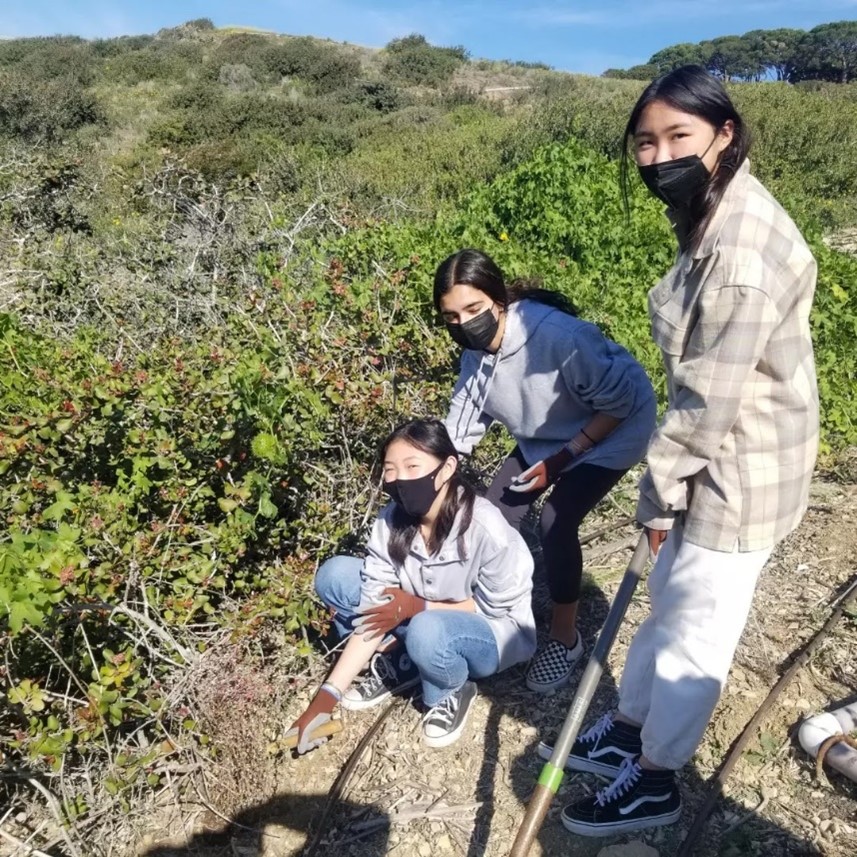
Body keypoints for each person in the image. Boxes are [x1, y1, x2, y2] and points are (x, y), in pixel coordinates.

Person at [556, 65, 819, 837]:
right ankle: (633, 728)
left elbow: (707, 402)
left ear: (723, 134)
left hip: (743, 466)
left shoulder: (738, 252)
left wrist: (656, 492)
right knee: (665, 599)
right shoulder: (709, 203)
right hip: (714, 448)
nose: (656, 154)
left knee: (696, 623)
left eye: (678, 136)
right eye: (644, 141)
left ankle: (657, 776)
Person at [435, 248, 656, 693]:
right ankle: (497, 616)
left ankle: (565, 636)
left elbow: (619, 402)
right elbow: (460, 428)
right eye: (452, 318)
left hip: (614, 429)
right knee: (494, 513)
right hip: (548, 433)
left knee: (556, 519)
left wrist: (559, 461)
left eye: (474, 309)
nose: (465, 324)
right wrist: (429, 475)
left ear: (498, 299)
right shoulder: (475, 356)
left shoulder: (557, 337)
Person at [287, 418, 537, 753]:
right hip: (422, 615)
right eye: (391, 469)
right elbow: (372, 611)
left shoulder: (485, 527)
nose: (400, 479)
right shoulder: (390, 521)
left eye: (412, 466)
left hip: (492, 631)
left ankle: (450, 690)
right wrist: (324, 700)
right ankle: (402, 661)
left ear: (447, 467)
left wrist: (418, 607)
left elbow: (497, 608)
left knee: (427, 629)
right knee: (336, 576)